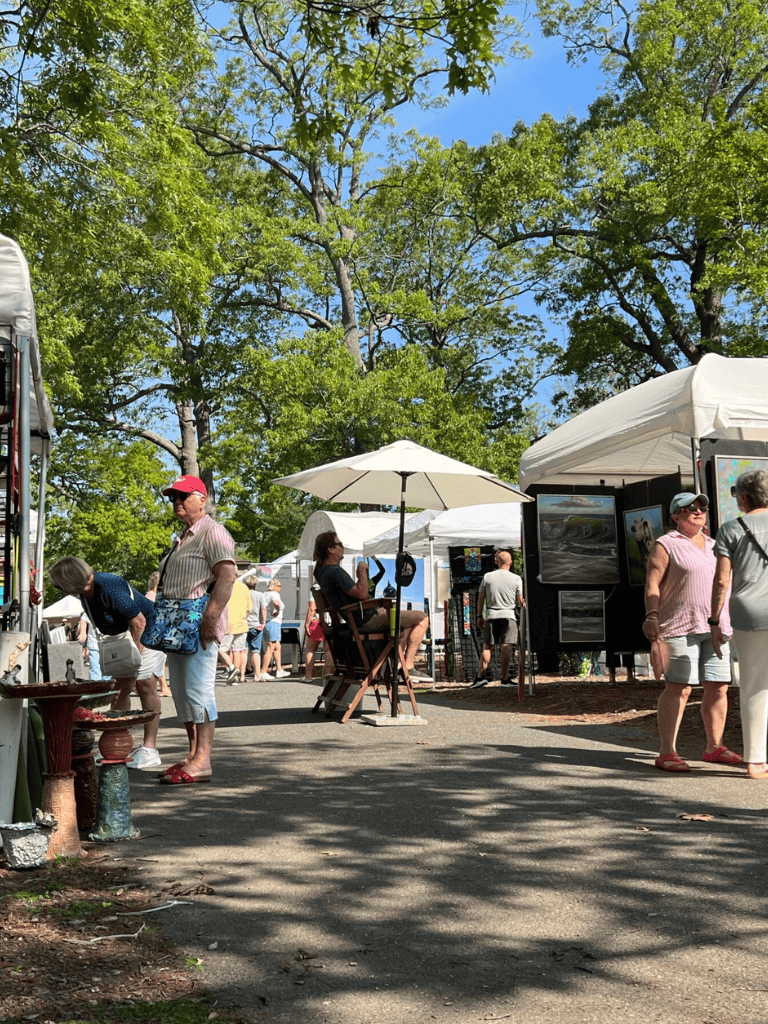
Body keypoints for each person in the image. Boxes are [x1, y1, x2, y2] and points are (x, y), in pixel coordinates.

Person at [642, 491, 738, 773]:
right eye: (690, 507)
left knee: (719, 687)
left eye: (702, 507)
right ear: (675, 515)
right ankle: (666, 751)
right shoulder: (665, 543)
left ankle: (714, 747)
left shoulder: (715, 545)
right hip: (677, 627)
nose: (698, 511)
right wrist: (651, 615)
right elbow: (652, 584)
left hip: (717, 628)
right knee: (679, 688)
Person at [154, 474, 236, 784]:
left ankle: (203, 759)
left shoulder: (212, 532)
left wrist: (210, 620)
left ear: (201, 499)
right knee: (182, 691)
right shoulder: (184, 536)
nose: (176, 502)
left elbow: (227, 576)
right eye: (173, 497)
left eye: (183, 496)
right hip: (178, 626)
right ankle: (192, 754)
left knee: (199, 690)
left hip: (198, 623)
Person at [49, 557, 162, 767]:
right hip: (127, 639)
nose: (58, 587)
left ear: (69, 578)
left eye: (59, 583)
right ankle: (117, 745)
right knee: (120, 690)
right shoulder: (86, 594)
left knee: (145, 685)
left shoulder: (107, 584)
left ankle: (149, 748)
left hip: (147, 633)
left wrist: (135, 653)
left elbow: (139, 621)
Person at [313, 530, 431, 682]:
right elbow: (362, 594)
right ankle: (408, 666)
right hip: (367, 619)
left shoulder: (321, 572)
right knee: (422, 618)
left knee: (406, 626)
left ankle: (396, 666)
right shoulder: (335, 572)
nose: (343, 547)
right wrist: (362, 570)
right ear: (330, 549)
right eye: (339, 544)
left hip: (356, 620)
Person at [711, 469, 768, 779]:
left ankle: (756, 760)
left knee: (754, 685)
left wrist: (714, 619)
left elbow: (722, 580)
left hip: (748, 613)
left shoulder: (730, 529)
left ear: (744, 497)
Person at [471, 548, 525, 689]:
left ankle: (480, 677)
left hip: (491, 615)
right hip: (508, 616)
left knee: (487, 647)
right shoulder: (516, 578)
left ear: (497, 562)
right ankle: (505, 679)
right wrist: (522, 602)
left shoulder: (488, 577)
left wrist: (479, 615)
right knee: (506, 647)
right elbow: (520, 601)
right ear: (510, 562)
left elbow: (481, 597)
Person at [218, 576, 250, 685]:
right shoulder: (243, 587)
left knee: (220, 649)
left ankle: (232, 668)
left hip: (227, 623)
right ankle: (235, 677)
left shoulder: (223, 586)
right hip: (242, 623)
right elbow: (249, 608)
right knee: (237, 650)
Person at [261, 579, 290, 678]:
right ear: (274, 586)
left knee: (277, 646)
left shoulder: (265, 594)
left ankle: (279, 669)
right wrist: (277, 610)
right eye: (279, 585)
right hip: (274, 622)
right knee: (271, 647)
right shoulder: (274, 594)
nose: (280, 587)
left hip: (268, 622)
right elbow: (276, 603)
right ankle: (263, 671)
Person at [303, 590, 334, 682]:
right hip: (330, 620)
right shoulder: (332, 586)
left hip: (317, 621)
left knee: (311, 649)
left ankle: (308, 676)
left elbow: (312, 608)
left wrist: (307, 623)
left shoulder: (315, 589)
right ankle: (328, 677)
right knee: (328, 650)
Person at [244, 576, 267, 680]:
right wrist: (263, 623)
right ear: (256, 584)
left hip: (244, 625)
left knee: (243, 651)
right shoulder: (260, 595)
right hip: (256, 625)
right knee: (256, 650)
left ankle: (241, 675)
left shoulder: (243, 595)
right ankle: (257, 674)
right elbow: (263, 610)